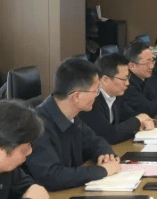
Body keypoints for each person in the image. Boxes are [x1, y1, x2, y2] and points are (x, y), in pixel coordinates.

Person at [26, 58, 122, 191]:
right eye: (96, 90)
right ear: (76, 96)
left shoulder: (71, 115)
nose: (97, 95)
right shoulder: (37, 126)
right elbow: (52, 176)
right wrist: (103, 171)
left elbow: (95, 141)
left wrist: (105, 155)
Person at [79, 53, 156, 144]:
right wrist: (138, 120)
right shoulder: (91, 101)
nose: (127, 83)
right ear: (105, 80)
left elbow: (131, 116)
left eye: (128, 78)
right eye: (124, 79)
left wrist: (144, 120)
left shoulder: (117, 97)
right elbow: (109, 135)